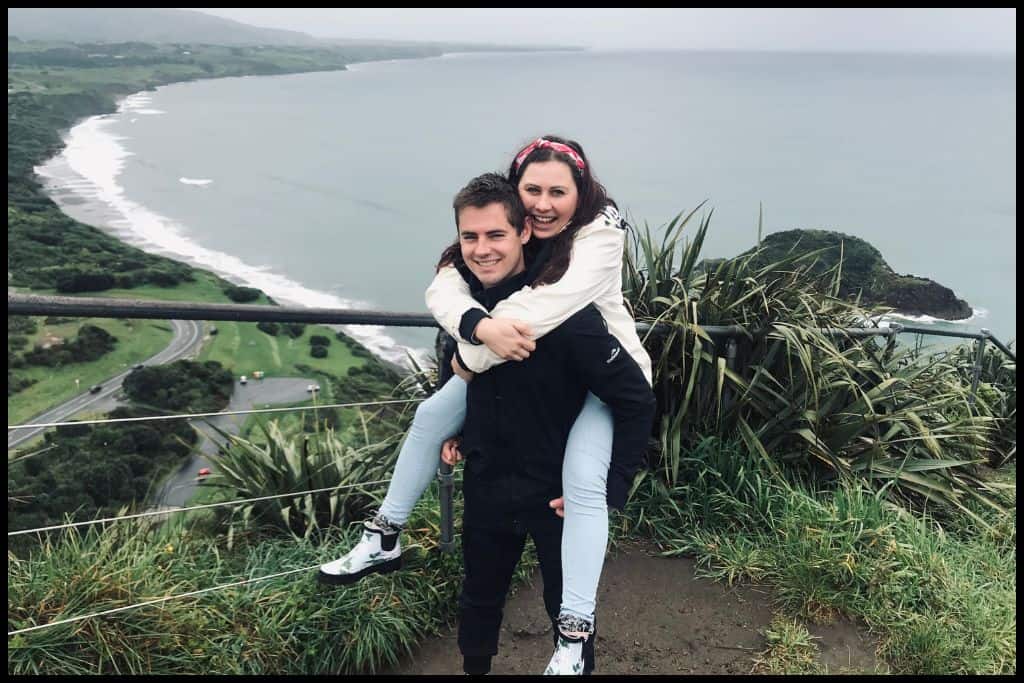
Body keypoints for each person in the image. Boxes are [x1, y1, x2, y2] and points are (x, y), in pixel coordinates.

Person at [318, 136, 654, 674]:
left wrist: (473, 349)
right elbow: (446, 286)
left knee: (584, 481)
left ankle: (573, 634)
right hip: (502, 385)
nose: (544, 203)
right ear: (518, 196)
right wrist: (477, 337)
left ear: (581, 192)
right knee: (431, 417)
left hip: (609, 376)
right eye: (533, 190)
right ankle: (383, 536)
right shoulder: (501, 237)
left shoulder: (597, 237)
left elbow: (546, 311)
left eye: (557, 192)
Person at [444, 173, 653, 674]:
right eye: (471, 237)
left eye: (495, 236)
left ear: (521, 233)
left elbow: (636, 399)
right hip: (487, 478)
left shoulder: (568, 314)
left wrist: (612, 486)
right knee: (478, 597)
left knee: (569, 609)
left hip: (553, 492)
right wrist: (457, 429)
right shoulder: (469, 306)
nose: (483, 250)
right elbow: (454, 369)